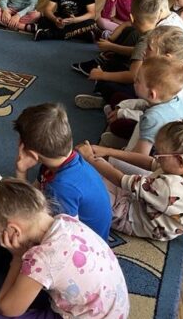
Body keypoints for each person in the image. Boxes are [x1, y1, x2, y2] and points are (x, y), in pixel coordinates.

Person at [0, 173, 129, 319]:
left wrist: (17, 258)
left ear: (14, 231)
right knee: (19, 275)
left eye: (0, 235)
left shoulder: (42, 259)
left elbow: (8, 309)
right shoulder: (65, 220)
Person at [78, 120, 183, 240]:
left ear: (180, 160)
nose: (156, 157)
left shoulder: (170, 188)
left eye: (159, 154)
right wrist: (109, 151)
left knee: (85, 182)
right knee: (110, 163)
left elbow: (120, 179)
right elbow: (150, 163)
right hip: (157, 202)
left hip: (130, 216)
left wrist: (90, 158)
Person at [75, 0, 183, 109]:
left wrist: (103, 75)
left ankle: (110, 101)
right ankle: (109, 64)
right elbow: (139, 50)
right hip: (168, 81)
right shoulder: (172, 19)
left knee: (109, 86)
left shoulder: (152, 37)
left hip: (160, 89)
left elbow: (133, 75)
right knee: (132, 32)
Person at [13, 103, 111, 241]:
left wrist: (21, 172)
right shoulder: (67, 161)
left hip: (84, 245)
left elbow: (57, 236)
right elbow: (34, 194)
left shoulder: (61, 187)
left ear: (33, 155)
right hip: (80, 231)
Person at [103, 26, 183, 145]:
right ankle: (115, 117)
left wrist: (123, 113)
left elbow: (157, 117)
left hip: (175, 133)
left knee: (120, 125)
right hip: (159, 112)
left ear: (167, 56)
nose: (144, 51)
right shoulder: (167, 72)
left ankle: (123, 138)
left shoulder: (175, 83)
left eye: (149, 48)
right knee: (118, 97)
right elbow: (150, 104)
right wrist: (123, 107)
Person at [114, 56, 183, 160]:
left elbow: (140, 158)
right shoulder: (177, 102)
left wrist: (114, 155)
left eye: (138, 80)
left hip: (167, 164)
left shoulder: (152, 118)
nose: (134, 80)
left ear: (152, 94)